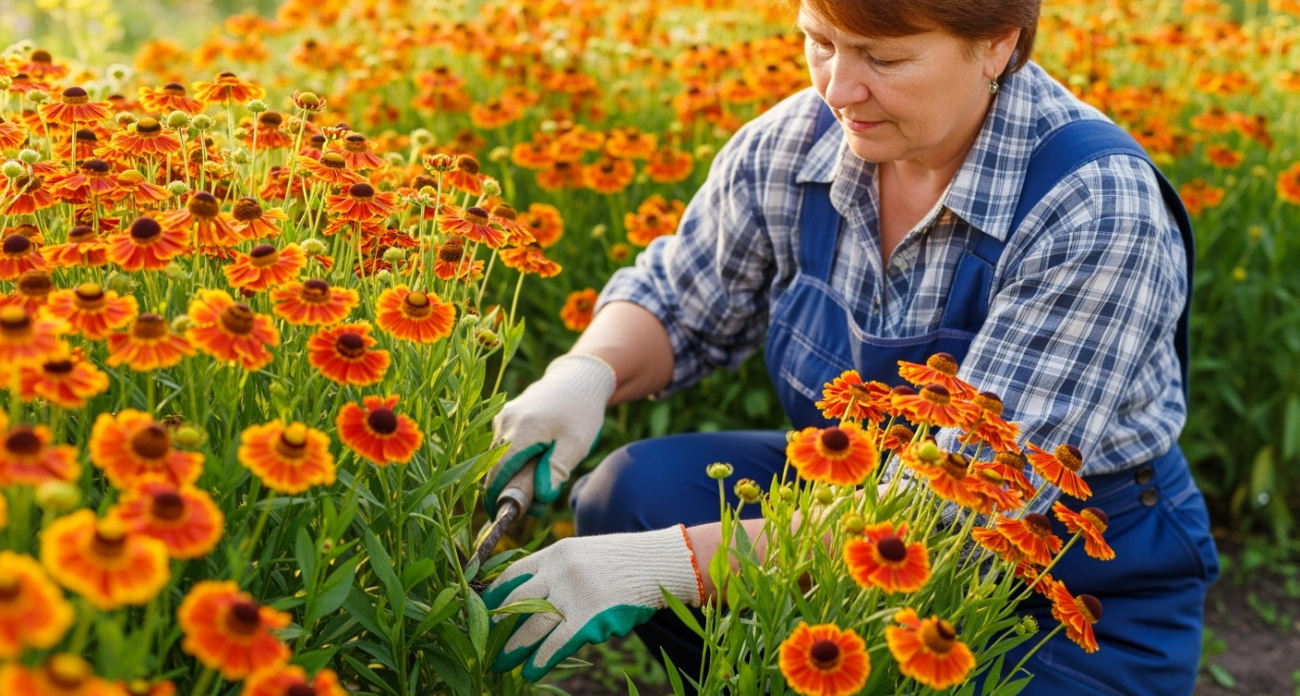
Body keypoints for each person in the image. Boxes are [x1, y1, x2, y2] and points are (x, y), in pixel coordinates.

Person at [482, 0, 1219, 693]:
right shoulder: (799, 141)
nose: (839, 88)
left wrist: (661, 566)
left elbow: (956, 510)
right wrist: (585, 373)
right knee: (633, 493)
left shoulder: (1093, 204)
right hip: (851, 506)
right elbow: (681, 300)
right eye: (821, 41)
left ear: (998, 44)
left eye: (883, 59)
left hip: (1063, 585)